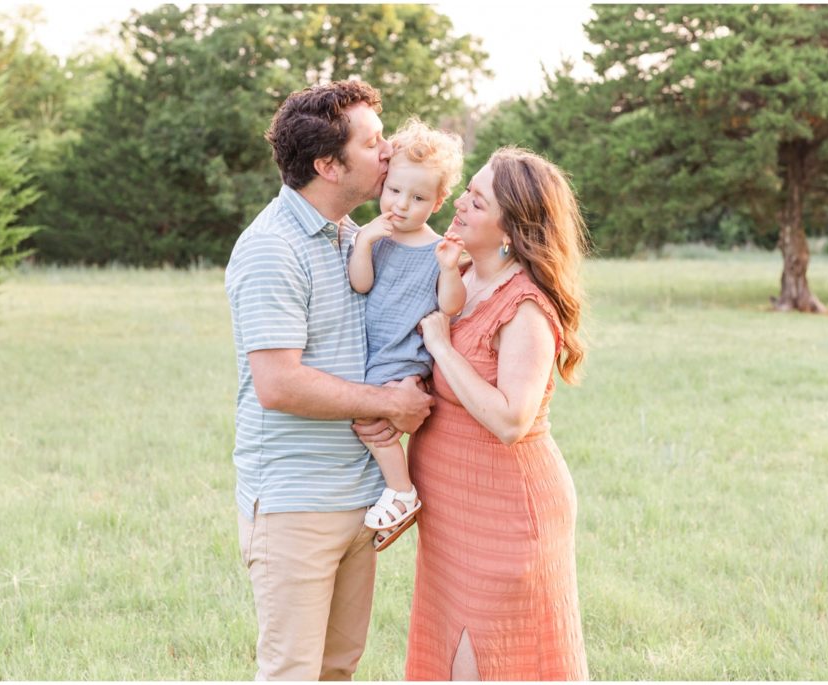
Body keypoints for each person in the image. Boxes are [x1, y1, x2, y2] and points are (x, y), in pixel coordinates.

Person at [224, 80, 433, 681]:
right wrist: (389, 403)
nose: (390, 151)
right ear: (327, 164)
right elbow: (279, 384)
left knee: (338, 668)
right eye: (373, 143)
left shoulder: (352, 235)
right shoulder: (271, 248)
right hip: (297, 505)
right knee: (293, 672)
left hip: (358, 499)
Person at [405, 147, 590, 680]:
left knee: (488, 661)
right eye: (468, 191)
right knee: (448, 654)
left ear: (512, 228)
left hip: (506, 513)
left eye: (477, 201)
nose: (458, 203)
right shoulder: (458, 271)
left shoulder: (526, 306)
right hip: (450, 515)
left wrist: (442, 346)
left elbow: (512, 419)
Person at [347, 118, 466, 551]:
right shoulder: (374, 238)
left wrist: (451, 268)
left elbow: (451, 305)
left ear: (437, 203)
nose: (401, 204)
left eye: (417, 198)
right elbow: (360, 284)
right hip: (375, 347)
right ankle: (393, 490)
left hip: (403, 351)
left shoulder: (437, 251)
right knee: (369, 419)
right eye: (394, 191)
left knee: (367, 419)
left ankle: (401, 491)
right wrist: (363, 243)